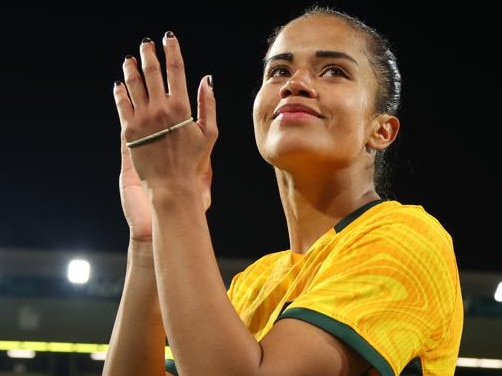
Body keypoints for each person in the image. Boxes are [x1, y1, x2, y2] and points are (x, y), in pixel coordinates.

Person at [102, 5, 463, 376]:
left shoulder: (409, 239)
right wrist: (149, 241)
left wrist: (176, 195)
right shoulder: (253, 283)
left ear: (381, 130)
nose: (296, 83)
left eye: (333, 71)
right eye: (279, 71)